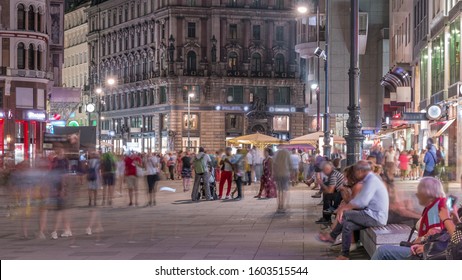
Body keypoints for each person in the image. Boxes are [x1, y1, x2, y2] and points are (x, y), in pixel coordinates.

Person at [318, 161, 389, 260]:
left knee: (345, 214)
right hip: (372, 214)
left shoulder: (372, 180)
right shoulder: (370, 179)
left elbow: (361, 202)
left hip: (375, 216)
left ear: (360, 171)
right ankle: (345, 255)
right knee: (347, 225)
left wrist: (343, 208)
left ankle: (332, 236)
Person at [372, 177, 449, 260]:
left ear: (428, 192)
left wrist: (421, 240)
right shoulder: (436, 205)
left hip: (424, 252)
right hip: (423, 248)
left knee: (382, 251)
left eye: (419, 190)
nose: (417, 194)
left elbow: (433, 235)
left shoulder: (434, 209)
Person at [272, 149, 292, 213]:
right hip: (285, 173)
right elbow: (290, 164)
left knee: (279, 190)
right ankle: (283, 205)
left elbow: (273, 164)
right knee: (284, 190)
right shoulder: (287, 153)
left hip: (278, 174)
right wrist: (291, 173)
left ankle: (279, 205)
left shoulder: (276, 154)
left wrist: (274, 173)